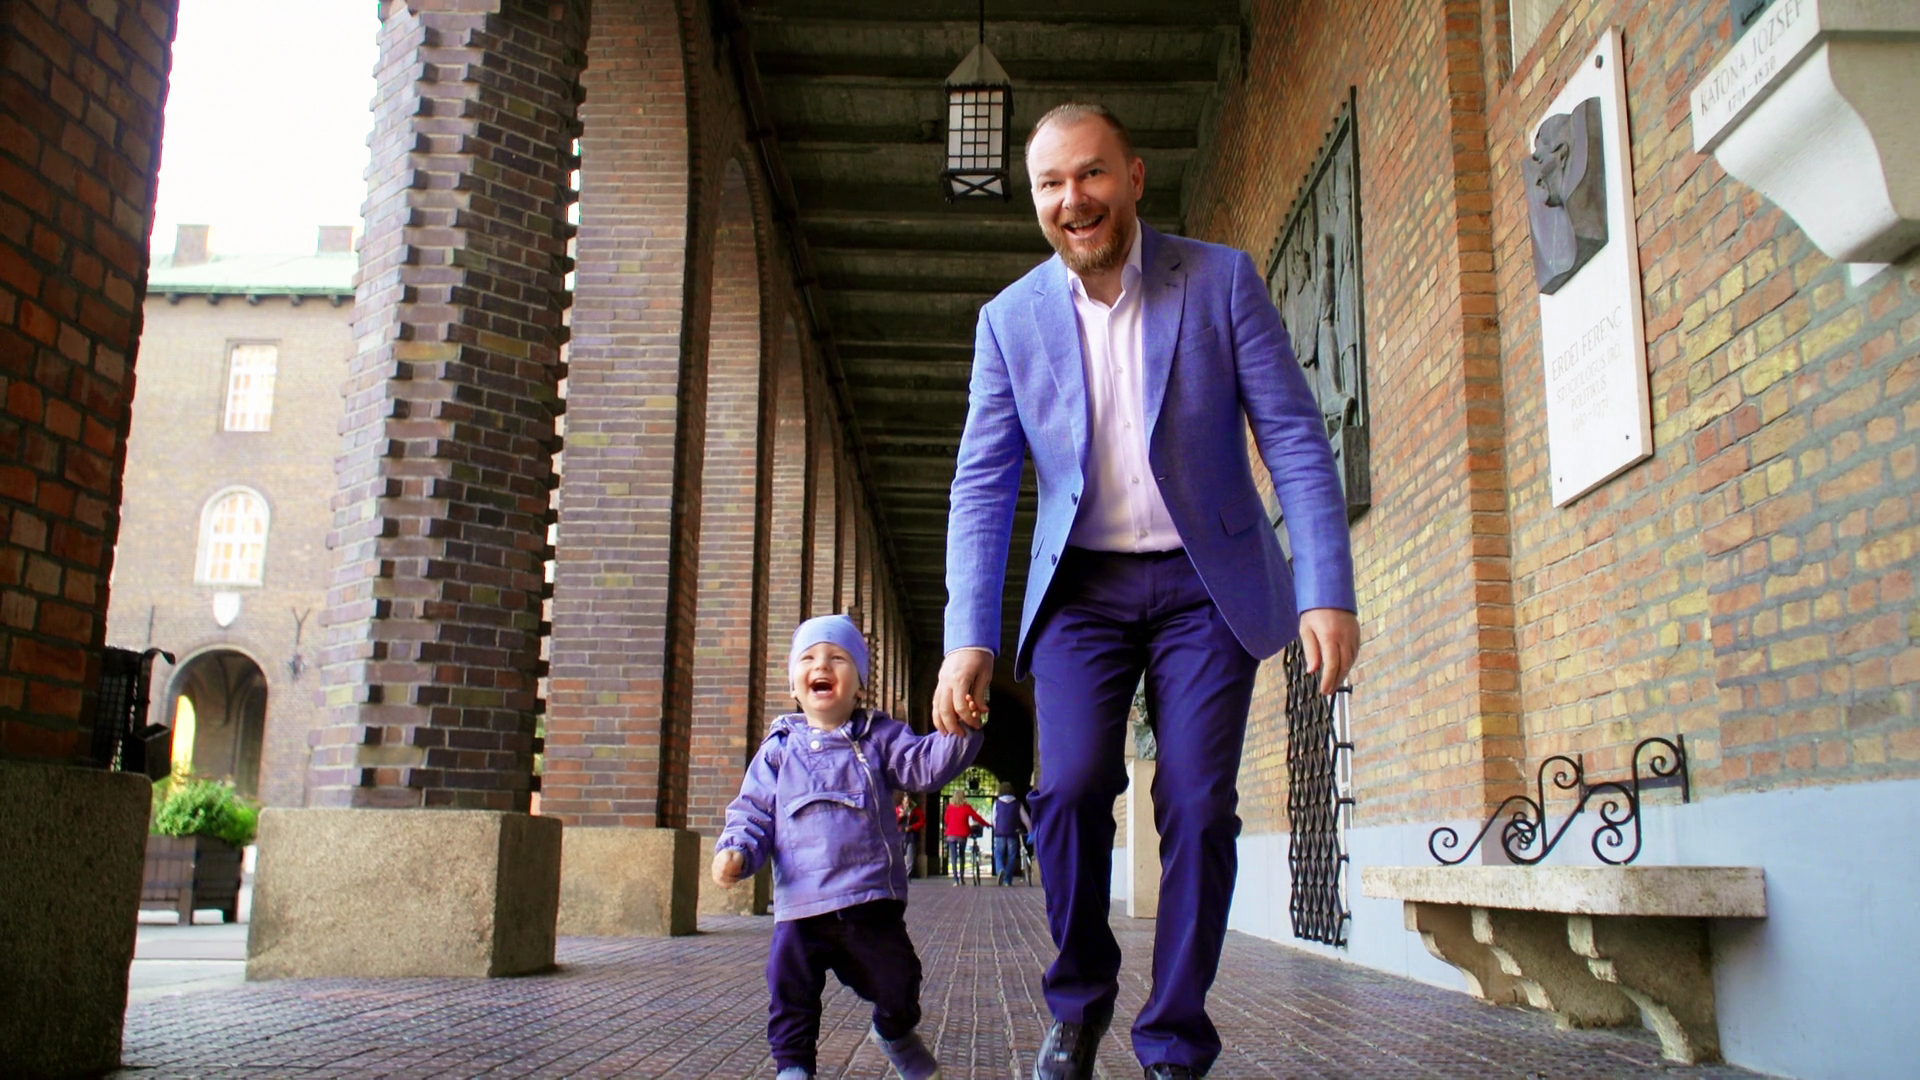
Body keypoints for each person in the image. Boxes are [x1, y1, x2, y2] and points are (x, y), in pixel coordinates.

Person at [932, 103, 1360, 1080]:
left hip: (1206, 585)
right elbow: (983, 485)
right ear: (1036, 200)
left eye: (1090, 174)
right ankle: (1079, 1004)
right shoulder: (1009, 321)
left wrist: (1325, 587)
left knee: (1199, 803)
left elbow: (1294, 435)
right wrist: (969, 638)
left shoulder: (1219, 280)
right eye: (1050, 184)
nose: (1072, 199)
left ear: (1132, 176)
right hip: (1082, 591)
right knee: (1070, 787)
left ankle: (1173, 1039)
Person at [715, 614, 984, 1080]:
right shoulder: (778, 750)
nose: (822, 664)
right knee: (789, 991)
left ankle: (895, 1034)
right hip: (801, 905)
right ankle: (793, 1067)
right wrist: (737, 849)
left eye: (838, 658)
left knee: (900, 984)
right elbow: (753, 810)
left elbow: (923, 765)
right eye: (809, 658)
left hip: (868, 900)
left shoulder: (879, 738)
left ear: (859, 686)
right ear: (794, 686)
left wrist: (962, 726)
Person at [942, 795, 989, 885]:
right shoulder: (966, 807)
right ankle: (962, 878)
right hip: (962, 834)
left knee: (953, 856)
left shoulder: (950, 807)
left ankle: (955, 880)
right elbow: (976, 817)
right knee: (962, 855)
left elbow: (946, 820)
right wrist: (986, 824)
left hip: (951, 834)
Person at [991, 783, 1032, 886]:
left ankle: (1000, 869)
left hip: (1000, 832)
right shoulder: (1018, 804)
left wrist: (997, 828)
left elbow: (993, 819)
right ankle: (1007, 880)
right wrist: (1030, 831)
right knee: (1012, 855)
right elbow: (1025, 819)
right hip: (1013, 832)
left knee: (998, 853)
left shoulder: (997, 803)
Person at [896, 793, 925, 877]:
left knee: (910, 856)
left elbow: (922, 822)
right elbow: (892, 822)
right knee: (899, 855)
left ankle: (907, 874)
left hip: (911, 835)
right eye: (905, 802)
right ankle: (899, 874)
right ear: (902, 802)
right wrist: (900, 816)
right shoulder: (898, 810)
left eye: (908, 802)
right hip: (900, 835)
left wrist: (912, 827)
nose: (907, 804)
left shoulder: (916, 810)